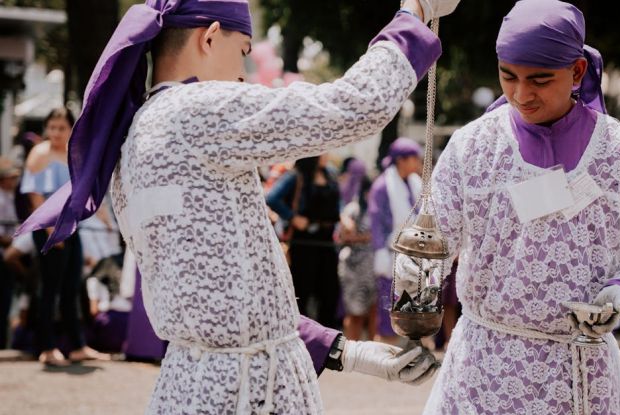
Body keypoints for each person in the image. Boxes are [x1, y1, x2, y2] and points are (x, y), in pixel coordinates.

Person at [16, 0, 458, 412]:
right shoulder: (196, 110)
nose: (245, 74)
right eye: (243, 51)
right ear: (208, 38)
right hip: (244, 395)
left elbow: (228, 298)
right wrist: (413, 12)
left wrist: (347, 351)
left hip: (188, 385)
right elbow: (353, 106)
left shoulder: (132, 138)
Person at [410, 1, 620, 413]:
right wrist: (415, 291)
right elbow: (432, 247)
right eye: (508, 76)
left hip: (581, 374)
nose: (520, 94)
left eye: (540, 80)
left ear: (577, 72)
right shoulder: (472, 148)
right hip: (483, 372)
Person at [20, 108, 109, 366]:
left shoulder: (74, 151)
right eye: (52, 127)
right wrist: (52, 232)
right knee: (50, 288)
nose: (56, 133)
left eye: (61, 127)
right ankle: (46, 347)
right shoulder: (39, 154)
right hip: (49, 230)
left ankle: (78, 346)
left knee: (72, 287)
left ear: (70, 128)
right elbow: (34, 196)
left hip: (71, 226)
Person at [266, 155, 342, 328]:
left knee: (329, 293)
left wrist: (342, 218)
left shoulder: (330, 174)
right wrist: (293, 217)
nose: (326, 153)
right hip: (304, 243)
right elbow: (271, 198)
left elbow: (338, 202)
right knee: (303, 291)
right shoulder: (296, 175)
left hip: (327, 243)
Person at [368, 137, 423, 344]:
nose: (418, 163)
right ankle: (387, 354)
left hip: (413, 256)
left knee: (413, 312)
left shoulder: (414, 183)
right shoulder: (382, 186)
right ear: (401, 160)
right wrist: (380, 253)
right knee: (390, 309)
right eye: (414, 158)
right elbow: (377, 223)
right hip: (391, 257)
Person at [337, 160, 377, 340]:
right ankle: (351, 348)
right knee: (354, 312)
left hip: (373, 267)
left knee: (374, 313)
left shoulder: (377, 210)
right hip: (354, 267)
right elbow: (344, 235)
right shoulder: (353, 209)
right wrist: (367, 237)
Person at [0, 157, 21, 348]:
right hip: (3, 255)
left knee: (7, 300)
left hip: (9, 255)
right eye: (10, 177)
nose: (13, 180)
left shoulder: (12, 197)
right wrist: (18, 240)